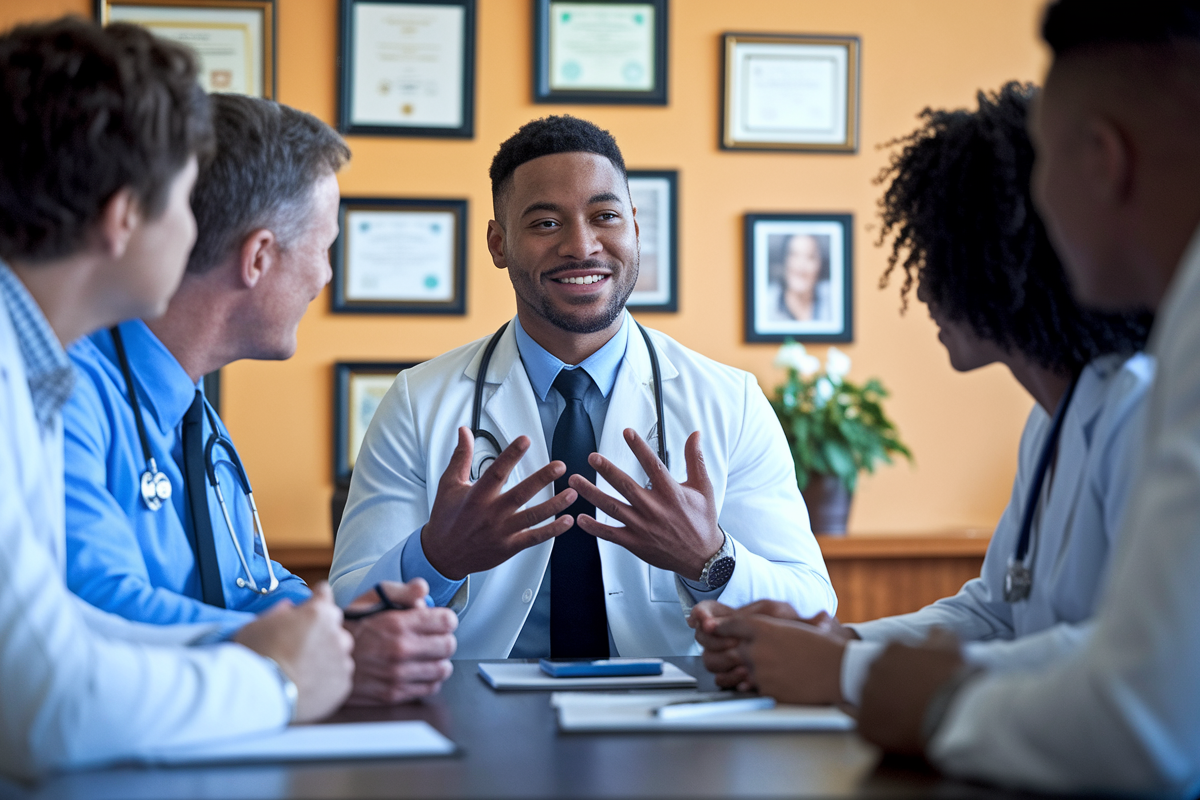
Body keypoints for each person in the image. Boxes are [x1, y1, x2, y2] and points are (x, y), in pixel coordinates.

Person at [0, 19, 353, 782]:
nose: (198, 228)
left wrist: (296, 645)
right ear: (124, 216)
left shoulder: (9, 342)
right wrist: (277, 682)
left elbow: (67, 629)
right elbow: (44, 704)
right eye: (184, 201)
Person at [850, 1, 1200, 794]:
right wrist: (853, 650)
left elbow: (1149, 717)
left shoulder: (1191, 334)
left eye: (1042, 166)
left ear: (1100, 159)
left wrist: (912, 695)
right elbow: (1007, 610)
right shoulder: (1064, 415)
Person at [690, 83, 1154, 712]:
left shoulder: (1138, 411)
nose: (925, 289)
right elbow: (993, 613)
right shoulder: (1050, 423)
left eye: (940, 257)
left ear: (1001, 263)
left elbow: (1121, 657)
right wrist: (834, 639)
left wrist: (846, 667)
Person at [331, 115, 835, 659]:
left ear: (635, 229)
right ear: (498, 244)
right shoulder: (417, 402)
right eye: (546, 223)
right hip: (477, 711)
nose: (582, 245)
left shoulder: (730, 400)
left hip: (672, 719)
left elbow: (814, 611)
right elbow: (346, 611)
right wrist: (435, 558)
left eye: (605, 216)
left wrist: (708, 557)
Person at [61, 93, 457, 706]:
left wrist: (343, 622)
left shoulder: (197, 418)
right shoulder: (69, 391)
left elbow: (247, 583)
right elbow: (95, 602)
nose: (326, 276)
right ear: (260, 257)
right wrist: (320, 654)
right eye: (324, 248)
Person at [766, 234, 832, 322]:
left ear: (820, 265)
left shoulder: (833, 300)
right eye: (794, 255)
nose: (801, 267)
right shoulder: (766, 304)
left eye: (810, 257)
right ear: (784, 260)